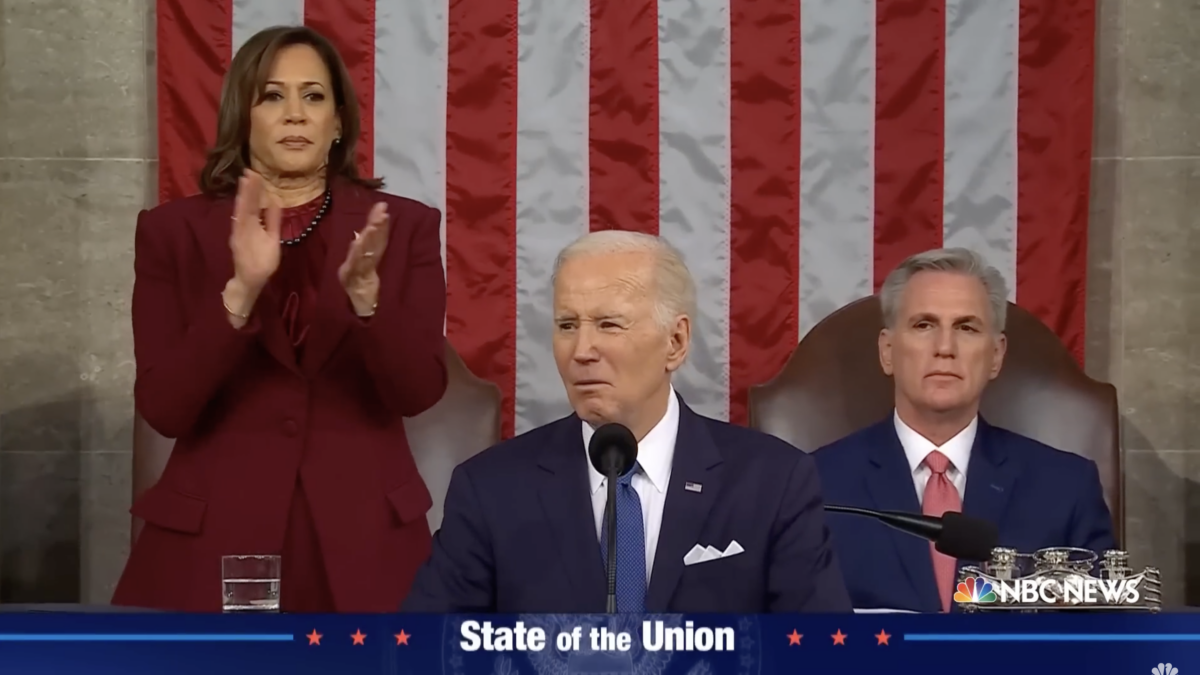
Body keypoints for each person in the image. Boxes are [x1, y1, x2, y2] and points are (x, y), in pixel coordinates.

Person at [112, 26, 448, 613]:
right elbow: (164, 408)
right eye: (272, 96)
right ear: (244, 117)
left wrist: (368, 300)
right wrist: (239, 293)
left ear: (338, 122)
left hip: (363, 542)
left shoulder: (405, 228)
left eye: (313, 96)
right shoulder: (172, 234)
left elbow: (419, 390)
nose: (295, 113)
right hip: (214, 537)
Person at [402, 230, 851, 613]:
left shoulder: (771, 481)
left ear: (675, 342)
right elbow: (429, 649)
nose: (581, 350)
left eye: (609, 325)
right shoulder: (490, 489)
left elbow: (818, 651)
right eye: (567, 325)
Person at [813, 248, 1116, 613]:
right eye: (924, 325)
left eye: (966, 327)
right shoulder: (815, 485)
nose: (945, 348)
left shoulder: (1067, 487)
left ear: (996, 355)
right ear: (888, 351)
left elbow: (1102, 639)